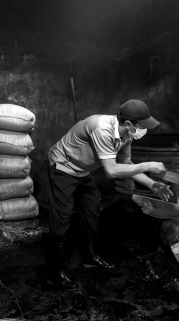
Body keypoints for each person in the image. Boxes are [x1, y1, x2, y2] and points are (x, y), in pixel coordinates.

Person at [43, 99, 172, 291]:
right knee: (61, 218)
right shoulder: (101, 129)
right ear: (129, 123)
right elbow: (111, 171)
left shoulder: (127, 135)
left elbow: (126, 163)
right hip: (62, 168)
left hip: (82, 171)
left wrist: (152, 183)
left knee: (92, 209)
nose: (145, 129)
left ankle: (89, 257)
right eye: (142, 125)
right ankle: (55, 275)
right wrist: (148, 166)